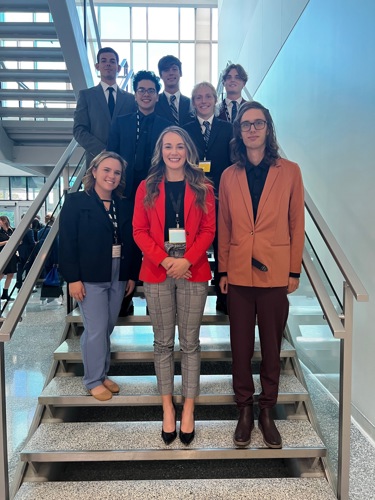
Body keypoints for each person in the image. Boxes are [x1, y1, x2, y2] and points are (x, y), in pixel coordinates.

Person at [218, 101, 305, 449]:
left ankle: (267, 410)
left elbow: (297, 223)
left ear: (268, 129)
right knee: (240, 347)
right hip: (238, 273)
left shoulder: (291, 171)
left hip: (275, 273)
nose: (252, 129)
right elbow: (224, 226)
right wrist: (222, 269)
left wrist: (294, 269)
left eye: (258, 123)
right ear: (238, 132)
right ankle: (244, 409)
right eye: (245, 125)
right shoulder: (228, 175)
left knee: (271, 347)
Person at [133, 126, 215, 446]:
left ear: (188, 150)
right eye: (168, 146)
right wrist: (166, 260)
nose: (174, 151)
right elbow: (139, 230)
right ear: (160, 150)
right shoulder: (147, 186)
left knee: (190, 343)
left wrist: (187, 260)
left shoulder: (204, 186)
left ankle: (189, 407)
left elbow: (208, 230)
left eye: (179, 146)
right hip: (158, 266)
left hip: (193, 267)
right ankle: (168, 407)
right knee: (163, 343)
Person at [59, 151, 142, 401]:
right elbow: (67, 243)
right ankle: (92, 379)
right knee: (95, 329)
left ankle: (102, 373)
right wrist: (73, 278)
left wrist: (130, 276)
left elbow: (131, 242)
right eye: (106, 170)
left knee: (106, 327)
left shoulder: (123, 204)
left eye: (117, 172)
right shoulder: (75, 202)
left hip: (118, 272)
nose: (111, 176)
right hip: (90, 275)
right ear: (94, 171)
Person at [184, 82, 233, 313]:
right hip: (193, 195)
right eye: (198, 98)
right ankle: (191, 295)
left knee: (223, 243)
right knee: (194, 242)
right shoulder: (184, 129)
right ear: (193, 103)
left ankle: (223, 296)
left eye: (207, 97)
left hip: (221, 195)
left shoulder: (228, 128)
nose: (203, 101)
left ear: (215, 99)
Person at [107, 70, 171, 200]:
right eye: (141, 90)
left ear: (157, 96)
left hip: (158, 190)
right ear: (135, 95)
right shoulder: (121, 123)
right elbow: (111, 155)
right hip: (124, 190)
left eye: (151, 91)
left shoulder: (167, 127)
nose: (146, 94)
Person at [73, 47, 136, 168]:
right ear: (97, 66)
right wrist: (102, 150)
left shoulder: (130, 99)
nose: (108, 64)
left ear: (118, 67)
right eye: (104, 61)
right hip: (96, 161)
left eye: (112, 61)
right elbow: (79, 130)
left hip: (124, 162)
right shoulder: (86, 96)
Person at [154, 55, 193, 126]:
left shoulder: (190, 103)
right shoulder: (155, 102)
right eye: (166, 70)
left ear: (180, 73)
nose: (171, 73)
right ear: (160, 75)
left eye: (174, 69)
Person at [0, 216, 18, 302]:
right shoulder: (0, 232)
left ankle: (5, 293)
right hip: (3, 254)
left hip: (12, 254)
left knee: (10, 274)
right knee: (1, 274)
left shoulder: (12, 230)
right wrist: (7, 242)